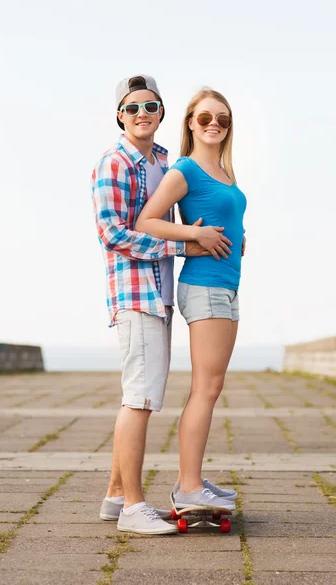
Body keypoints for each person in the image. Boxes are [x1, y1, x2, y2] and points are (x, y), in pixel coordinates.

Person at [91, 75, 231, 534]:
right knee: (140, 399)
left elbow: (180, 219)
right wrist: (186, 246)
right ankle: (133, 508)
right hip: (136, 294)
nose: (142, 114)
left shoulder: (163, 161)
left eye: (151, 106)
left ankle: (115, 495)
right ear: (120, 115)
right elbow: (113, 234)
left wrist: (212, 234)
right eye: (133, 108)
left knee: (143, 394)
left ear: (162, 113)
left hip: (162, 294)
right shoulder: (114, 164)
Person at [136, 88, 247, 512]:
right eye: (205, 118)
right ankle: (187, 487)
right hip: (204, 285)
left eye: (222, 118)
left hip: (227, 283)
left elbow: (227, 216)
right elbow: (147, 220)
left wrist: (239, 237)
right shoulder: (184, 169)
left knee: (211, 387)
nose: (214, 124)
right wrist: (193, 235)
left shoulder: (222, 170)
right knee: (206, 388)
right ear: (190, 123)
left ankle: (194, 479)